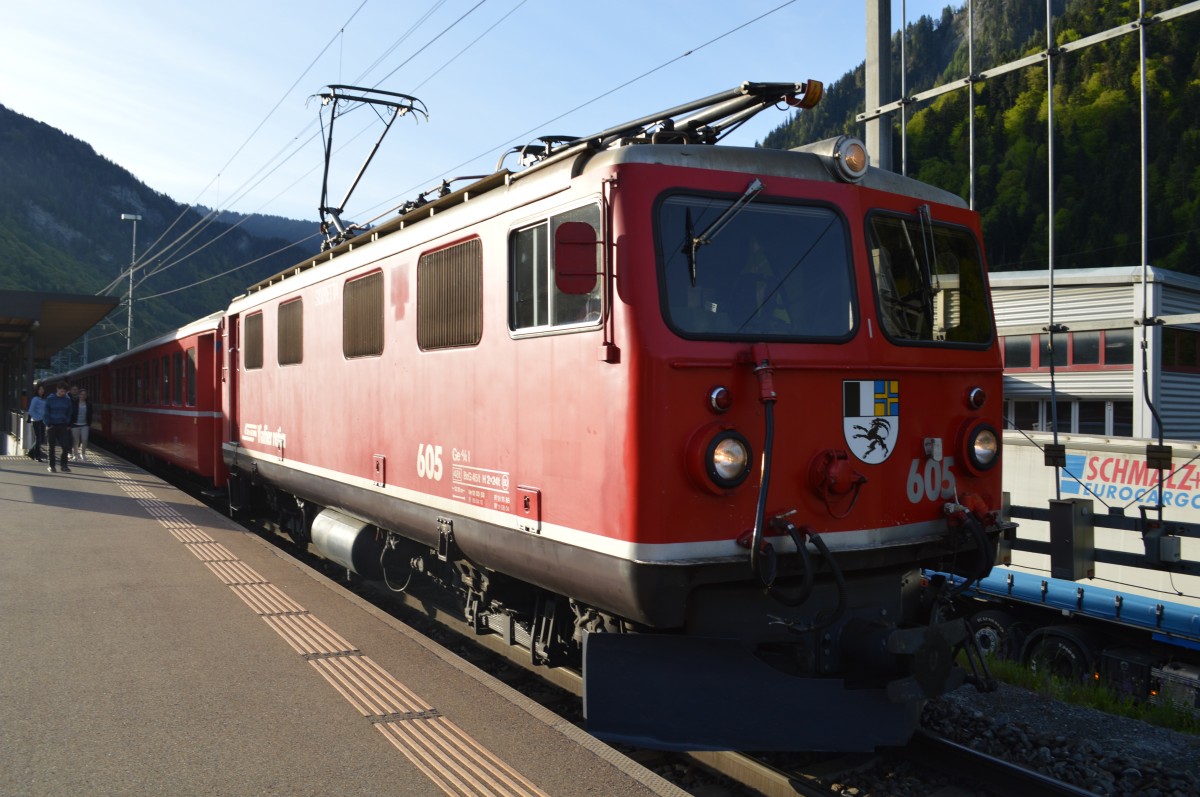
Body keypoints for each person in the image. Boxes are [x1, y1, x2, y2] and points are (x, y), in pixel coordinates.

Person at [43, 382, 74, 473]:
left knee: (65, 446)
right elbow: (46, 412)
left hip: (62, 425)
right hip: (52, 425)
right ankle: (51, 466)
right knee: (51, 447)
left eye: (64, 392)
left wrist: (68, 423)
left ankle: (64, 465)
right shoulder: (50, 399)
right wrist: (48, 423)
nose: (62, 393)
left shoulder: (67, 400)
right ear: (57, 389)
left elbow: (69, 412)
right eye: (61, 391)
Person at [70, 388, 94, 462]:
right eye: (81, 394)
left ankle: (83, 454)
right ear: (78, 395)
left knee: (85, 439)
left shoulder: (89, 404)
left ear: (86, 396)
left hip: (85, 424)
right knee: (76, 441)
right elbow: (71, 413)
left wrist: (89, 424)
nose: (82, 396)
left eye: (84, 394)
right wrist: (70, 423)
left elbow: (90, 414)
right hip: (75, 424)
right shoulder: (74, 403)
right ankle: (75, 455)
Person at [26, 384, 47, 462]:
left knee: (41, 439)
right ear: (37, 390)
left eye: (42, 389)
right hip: (36, 421)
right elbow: (31, 410)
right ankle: (37, 456)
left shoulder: (44, 399)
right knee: (38, 438)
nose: (42, 391)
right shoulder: (35, 399)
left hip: (43, 421)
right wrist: (37, 418)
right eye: (40, 389)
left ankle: (31, 452)